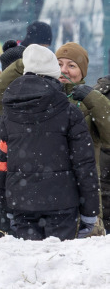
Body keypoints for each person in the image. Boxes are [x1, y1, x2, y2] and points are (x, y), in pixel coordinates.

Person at [0, 45, 98, 241]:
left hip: (21, 201)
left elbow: (2, 160)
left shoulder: (9, 111)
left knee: (30, 263)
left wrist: (6, 204)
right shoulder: (68, 111)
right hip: (62, 203)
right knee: (58, 264)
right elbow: (84, 165)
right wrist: (90, 212)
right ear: (53, 73)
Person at [53, 42, 110, 228]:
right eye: (59, 64)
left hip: (86, 193)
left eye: (71, 66)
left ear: (82, 72)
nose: (64, 70)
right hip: (49, 193)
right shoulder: (43, 96)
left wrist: (92, 98)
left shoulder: (90, 100)